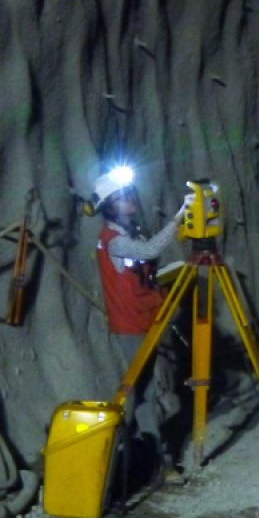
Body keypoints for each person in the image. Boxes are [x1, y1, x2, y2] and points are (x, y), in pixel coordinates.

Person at [91, 165, 182, 477]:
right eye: (122, 196)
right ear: (109, 206)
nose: (130, 199)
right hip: (131, 327)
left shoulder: (129, 234)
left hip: (146, 321)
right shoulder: (113, 241)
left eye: (129, 193)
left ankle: (153, 455)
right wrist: (181, 217)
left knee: (144, 392)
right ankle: (143, 455)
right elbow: (151, 249)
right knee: (139, 393)